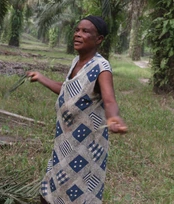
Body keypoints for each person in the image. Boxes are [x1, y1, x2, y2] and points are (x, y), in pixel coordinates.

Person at [27, 15, 127, 204]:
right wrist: (41, 77)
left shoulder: (101, 68)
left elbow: (109, 99)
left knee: (78, 195)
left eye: (85, 31)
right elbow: (68, 90)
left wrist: (114, 117)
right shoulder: (76, 62)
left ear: (99, 39)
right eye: (77, 30)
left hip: (86, 147)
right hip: (65, 141)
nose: (78, 34)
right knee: (50, 189)